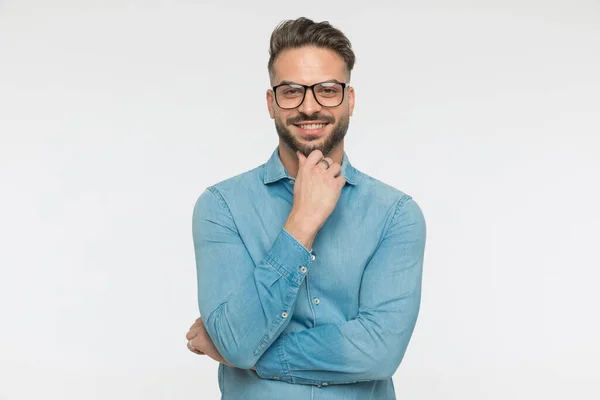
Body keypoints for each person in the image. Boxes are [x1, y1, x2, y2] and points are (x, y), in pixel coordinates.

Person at [185, 17, 426, 400]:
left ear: (349, 100)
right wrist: (300, 225)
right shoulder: (221, 207)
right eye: (292, 91)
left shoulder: (395, 214)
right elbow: (235, 341)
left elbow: (379, 352)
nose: (309, 106)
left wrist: (250, 357)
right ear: (271, 103)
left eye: (327, 90)